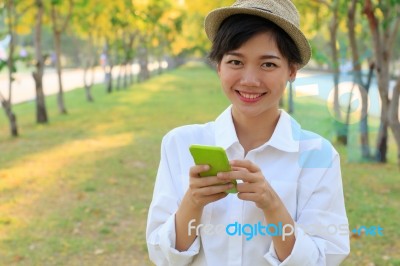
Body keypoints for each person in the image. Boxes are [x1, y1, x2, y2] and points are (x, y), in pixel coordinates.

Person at [146, 0, 350, 265]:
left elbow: (323, 258)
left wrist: (272, 204)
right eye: (235, 61)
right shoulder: (179, 143)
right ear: (218, 66)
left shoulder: (317, 155)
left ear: (291, 70)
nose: (250, 80)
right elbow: (163, 256)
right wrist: (193, 202)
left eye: (268, 64)